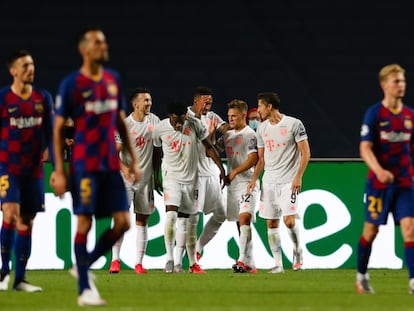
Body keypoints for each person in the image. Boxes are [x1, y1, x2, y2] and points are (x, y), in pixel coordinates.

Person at [50, 26, 140, 306]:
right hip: (84, 165)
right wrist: (58, 170)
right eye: (98, 42)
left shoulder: (113, 80)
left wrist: (133, 159)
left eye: (104, 41)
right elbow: (56, 131)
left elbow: (120, 121)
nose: (104, 46)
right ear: (85, 49)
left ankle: (85, 263)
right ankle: (84, 289)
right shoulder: (71, 84)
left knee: (124, 223)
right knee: (85, 222)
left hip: (110, 165)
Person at [355, 64, 414, 294]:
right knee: (371, 232)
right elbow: (365, 148)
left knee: (410, 230)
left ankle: (412, 281)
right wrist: (378, 170)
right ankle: (361, 276)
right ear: (384, 85)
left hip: (404, 184)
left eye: (402, 81)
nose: (401, 85)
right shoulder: (375, 114)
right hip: (379, 184)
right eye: (396, 81)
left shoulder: (410, 115)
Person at [0, 49, 53, 292]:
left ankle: (19, 279)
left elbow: (52, 135)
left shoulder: (43, 98)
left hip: (33, 172)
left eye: (32, 65)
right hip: (8, 167)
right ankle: (3, 272)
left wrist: (55, 165)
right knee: (10, 213)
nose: (30, 69)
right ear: (13, 71)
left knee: (27, 222)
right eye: (24, 66)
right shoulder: (3, 98)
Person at [153, 100, 227, 274]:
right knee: (171, 214)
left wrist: (221, 167)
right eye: (176, 119)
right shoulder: (160, 129)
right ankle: (169, 259)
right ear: (169, 116)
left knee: (184, 221)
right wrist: (155, 175)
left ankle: (179, 262)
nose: (179, 123)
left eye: (182, 119)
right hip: (171, 178)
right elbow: (156, 152)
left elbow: (208, 147)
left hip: (191, 180)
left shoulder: (195, 124)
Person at [247, 92, 310, 273]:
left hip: (288, 182)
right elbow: (261, 159)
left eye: (259, 106)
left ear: (269, 107)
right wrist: (254, 179)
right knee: (271, 224)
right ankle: (278, 264)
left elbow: (306, 153)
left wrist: (298, 176)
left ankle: (297, 251)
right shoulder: (262, 129)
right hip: (269, 182)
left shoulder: (294, 124)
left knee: (289, 221)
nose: (258, 110)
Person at [109, 87, 160, 274]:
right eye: (145, 100)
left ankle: (139, 263)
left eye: (150, 100)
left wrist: (156, 174)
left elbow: (158, 150)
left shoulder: (154, 121)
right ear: (135, 104)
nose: (149, 103)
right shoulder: (124, 125)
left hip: (146, 181)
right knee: (121, 219)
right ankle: (115, 261)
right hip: (125, 180)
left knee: (142, 221)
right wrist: (126, 170)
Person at [186, 86, 228, 264]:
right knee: (193, 216)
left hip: (211, 171)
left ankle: (197, 247)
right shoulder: (185, 117)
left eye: (210, 102)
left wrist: (229, 134)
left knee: (222, 213)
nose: (208, 106)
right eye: (205, 102)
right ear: (196, 101)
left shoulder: (212, 117)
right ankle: (185, 260)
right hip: (194, 174)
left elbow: (227, 129)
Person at [218, 99, 259, 273]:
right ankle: (251, 263)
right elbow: (212, 149)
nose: (231, 119)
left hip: (248, 182)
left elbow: (253, 158)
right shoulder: (227, 135)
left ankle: (241, 260)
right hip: (233, 186)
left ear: (244, 115)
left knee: (244, 219)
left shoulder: (251, 134)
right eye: (229, 116)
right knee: (240, 225)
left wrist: (234, 172)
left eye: (234, 116)